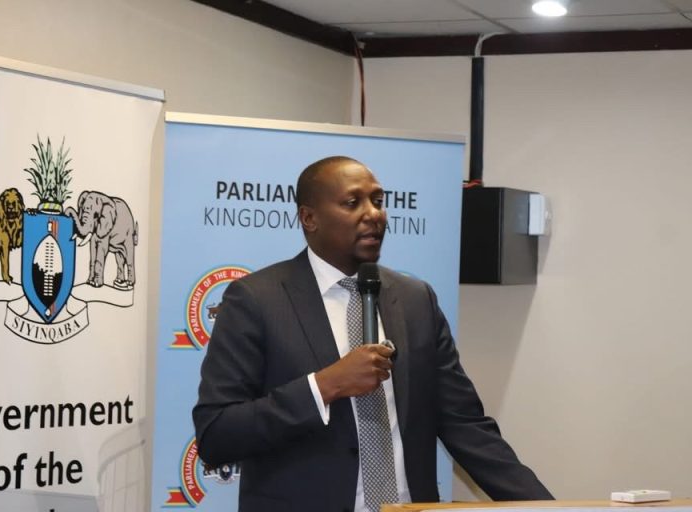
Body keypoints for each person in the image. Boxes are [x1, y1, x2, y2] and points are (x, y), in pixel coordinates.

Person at [193, 156, 553, 512]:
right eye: (353, 202)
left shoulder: (415, 300)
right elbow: (217, 434)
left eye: (378, 201)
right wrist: (325, 386)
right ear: (309, 218)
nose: (374, 214)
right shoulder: (256, 300)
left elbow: (465, 425)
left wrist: (551, 508)